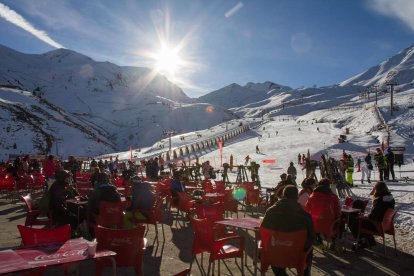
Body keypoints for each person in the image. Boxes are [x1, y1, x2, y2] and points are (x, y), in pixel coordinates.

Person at [261, 185, 314, 276]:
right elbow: (312, 236)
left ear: (283, 196)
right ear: (297, 197)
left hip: (275, 253)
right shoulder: (305, 216)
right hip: (296, 255)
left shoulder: (270, 211)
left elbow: (263, 231)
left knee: (274, 251)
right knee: (309, 249)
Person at [351, 181, 395, 250]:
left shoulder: (380, 201)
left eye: (374, 189)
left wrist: (364, 216)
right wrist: (367, 216)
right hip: (385, 225)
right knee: (361, 220)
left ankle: (363, 241)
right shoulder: (391, 199)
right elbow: (378, 214)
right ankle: (369, 240)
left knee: (355, 221)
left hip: (378, 226)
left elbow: (373, 216)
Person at [305, 178, 341, 247]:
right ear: (328, 186)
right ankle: (334, 241)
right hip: (329, 225)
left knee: (317, 221)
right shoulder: (333, 197)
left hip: (314, 225)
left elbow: (306, 209)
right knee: (339, 222)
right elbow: (338, 211)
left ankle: (318, 237)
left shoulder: (312, 196)